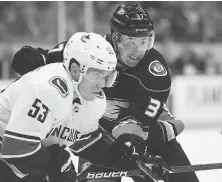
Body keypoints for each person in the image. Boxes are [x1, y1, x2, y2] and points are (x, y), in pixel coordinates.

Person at [11, 4, 199, 182]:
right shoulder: (92, 48)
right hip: (98, 138)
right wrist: (39, 58)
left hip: (140, 134)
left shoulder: (155, 70)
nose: (138, 51)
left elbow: (138, 124)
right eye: (131, 41)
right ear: (116, 37)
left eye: (144, 41)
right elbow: (63, 53)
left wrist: (138, 147)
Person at [0, 32, 119, 182]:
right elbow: (16, 148)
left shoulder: (93, 101)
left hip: (18, 166)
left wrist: (118, 155)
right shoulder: (48, 87)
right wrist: (54, 164)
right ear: (76, 70)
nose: (102, 84)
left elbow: (85, 142)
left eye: (108, 76)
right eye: (97, 74)